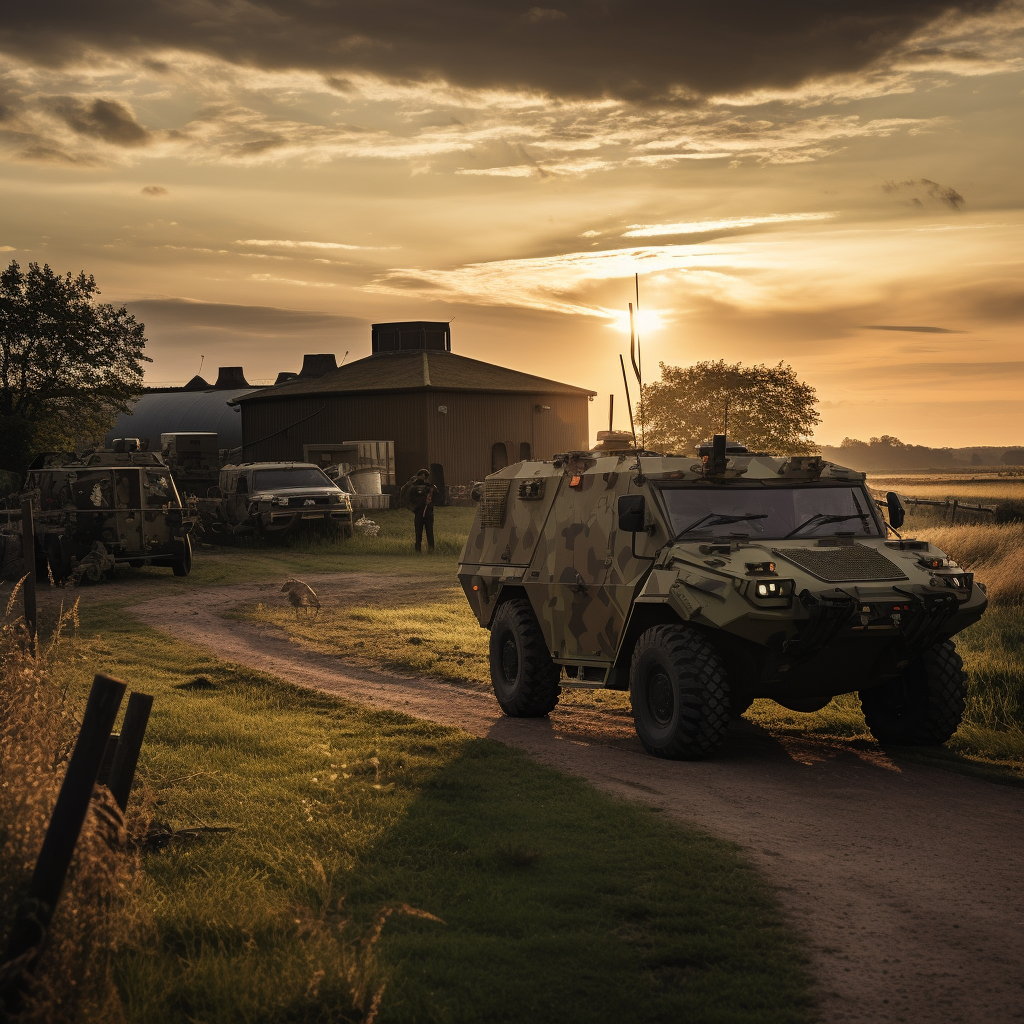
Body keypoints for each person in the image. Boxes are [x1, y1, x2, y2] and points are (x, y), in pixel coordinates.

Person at [404, 468, 440, 552]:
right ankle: (417, 549)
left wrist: (431, 503)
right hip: (418, 511)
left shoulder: (430, 487)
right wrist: (414, 508)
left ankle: (431, 550)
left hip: (428, 512)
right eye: (422, 476)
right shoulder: (413, 487)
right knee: (418, 532)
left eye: (425, 476)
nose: (423, 478)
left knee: (429, 532)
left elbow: (438, 497)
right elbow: (407, 498)